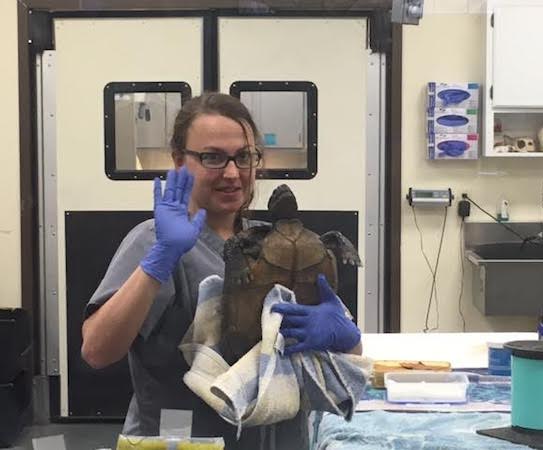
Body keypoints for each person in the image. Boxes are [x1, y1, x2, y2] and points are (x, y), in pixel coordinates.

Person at [80, 92, 362, 449]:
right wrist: (159, 261)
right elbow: (97, 351)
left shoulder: (274, 241)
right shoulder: (154, 241)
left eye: (244, 157)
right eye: (212, 157)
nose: (232, 173)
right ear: (179, 161)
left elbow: (340, 359)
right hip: (185, 441)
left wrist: (347, 337)